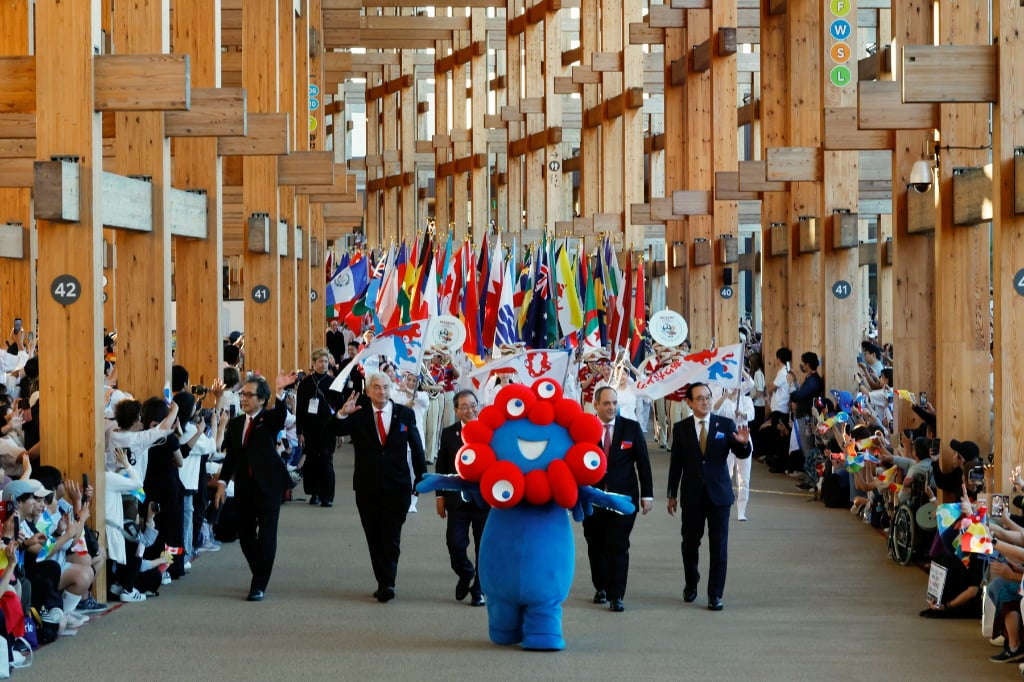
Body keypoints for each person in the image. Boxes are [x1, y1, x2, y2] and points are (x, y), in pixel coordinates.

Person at [327, 371, 427, 603]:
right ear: (369, 390)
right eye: (377, 387)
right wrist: (342, 413)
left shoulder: (405, 413)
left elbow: (417, 446)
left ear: (390, 389)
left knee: (391, 536)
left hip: (398, 485)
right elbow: (331, 431)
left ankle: (387, 583)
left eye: (385, 387)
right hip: (367, 486)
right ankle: (383, 579)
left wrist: (420, 477)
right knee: (373, 536)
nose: (381, 391)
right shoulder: (358, 415)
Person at [213, 370, 298, 602]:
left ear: (261, 399)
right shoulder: (237, 423)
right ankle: (260, 571)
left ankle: (258, 585)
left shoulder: (268, 419)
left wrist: (280, 390)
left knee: (267, 537)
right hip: (244, 487)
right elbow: (231, 457)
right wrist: (222, 483)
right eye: (242, 394)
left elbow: (280, 416)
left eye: (249, 395)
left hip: (269, 486)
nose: (244, 398)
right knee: (247, 536)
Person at [667, 382, 750, 611]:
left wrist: (744, 446)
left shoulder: (725, 424)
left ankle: (715, 594)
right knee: (690, 544)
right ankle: (691, 582)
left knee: (719, 547)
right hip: (692, 496)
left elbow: (739, 450)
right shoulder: (681, 428)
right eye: (700, 398)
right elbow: (676, 464)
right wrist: (671, 493)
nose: (705, 402)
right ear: (690, 402)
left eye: (708, 397)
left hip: (719, 495)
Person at [582, 386, 653, 612]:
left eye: (614, 403)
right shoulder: (584, 430)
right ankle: (601, 586)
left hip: (623, 500)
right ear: (596, 405)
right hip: (593, 499)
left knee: (618, 545)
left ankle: (617, 595)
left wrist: (647, 495)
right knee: (596, 545)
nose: (611, 407)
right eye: (606, 403)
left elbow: (643, 464)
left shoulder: (631, 428)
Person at [434, 389, 488, 607]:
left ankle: (478, 590)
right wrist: (439, 495)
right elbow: (442, 465)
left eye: (473, 405)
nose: (470, 410)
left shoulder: (490, 432)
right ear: (456, 410)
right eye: (464, 406)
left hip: (485, 501)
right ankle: (465, 572)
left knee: (484, 547)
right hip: (456, 500)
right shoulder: (448, 433)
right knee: (455, 544)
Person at [295, 348, 344, 508]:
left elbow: (339, 407)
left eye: (325, 361)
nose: (323, 364)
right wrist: (300, 431)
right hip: (310, 428)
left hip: (328, 427)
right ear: (313, 363)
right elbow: (300, 408)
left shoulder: (333, 383)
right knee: (312, 461)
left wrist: (340, 430)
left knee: (326, 461)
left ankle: (327, 496)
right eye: (320, 362)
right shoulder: (305, 383)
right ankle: (314, 493)